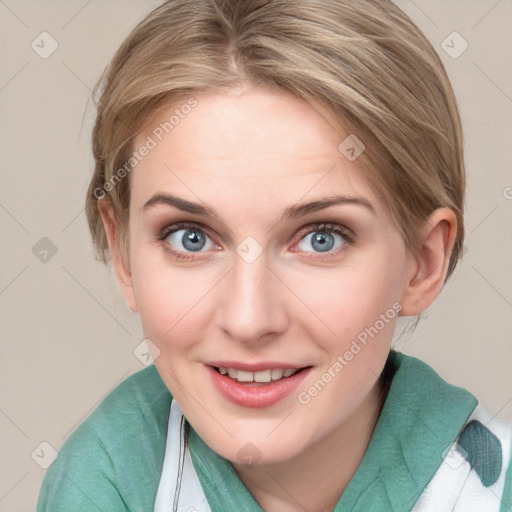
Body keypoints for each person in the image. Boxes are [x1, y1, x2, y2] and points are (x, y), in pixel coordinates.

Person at [36, 0, 512, 510]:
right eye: (189, 237)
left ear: (423, 261)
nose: (248, 320)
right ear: (123, 253)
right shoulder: (101, 483)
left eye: (320, 238)